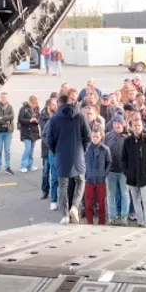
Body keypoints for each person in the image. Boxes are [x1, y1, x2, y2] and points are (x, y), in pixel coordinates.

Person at [44, 93, 92, 224]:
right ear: (71, 102)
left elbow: (49, 140)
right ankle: (75, 207)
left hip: (61, 156)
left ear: (59, 103)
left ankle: (65, 215)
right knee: (80, 181)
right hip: (78, 156)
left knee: (63, 186)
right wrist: (82, 150)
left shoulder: (54, 119)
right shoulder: (80, 116)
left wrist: (56, 151)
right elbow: (88, 137)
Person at [121, 117, 146, 227]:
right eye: (135, 126)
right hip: (132, 176)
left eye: (139, 126)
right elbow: (124, 158)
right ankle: (140, 221)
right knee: (136, 200)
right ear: (131, 127)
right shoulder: (127, 141)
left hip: (145, 176)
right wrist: (127, 172)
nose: (137, 127)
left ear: (142, 126)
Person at [103, 115, 130, 225]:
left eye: (119, 123)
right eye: (115, 122)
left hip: (124, 172)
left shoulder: (128, 137)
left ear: (124, 124)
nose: (117, 125)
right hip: (111, 171)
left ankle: (124, 216)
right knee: (111, 194)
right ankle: (111, 216)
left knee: (125, 194)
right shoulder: (107, 136)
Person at [83, 129, 111, 225]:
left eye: (97, 137)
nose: (95, 139)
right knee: (88, 203)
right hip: (89, 179)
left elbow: (109, 162)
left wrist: (104, 174)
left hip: (100, 180)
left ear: (101, 137)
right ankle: (89, 222)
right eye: (93, 137)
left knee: (101, 203)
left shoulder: (105, 149)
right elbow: (82, 161)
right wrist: (85, 174)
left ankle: (102, 222)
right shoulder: (86, 148)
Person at [0, 92, 15, 174]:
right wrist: (6, 121)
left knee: (7, 150)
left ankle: (7, 167)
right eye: (2, 97)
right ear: (0, 98)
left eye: (5, 97)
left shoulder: (10, 107)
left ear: (7, 98)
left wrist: (2, 117)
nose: (3, 99)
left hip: (8, 132)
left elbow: (12, 117)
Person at [40, 97, 58, 202]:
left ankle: (55, 193)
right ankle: (45, 191)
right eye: (53, 105)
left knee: (55, 173)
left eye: (56, 105)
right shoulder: (43, 117)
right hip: (47, 148)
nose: (55, 107)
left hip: (55, 150)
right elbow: (44, 134)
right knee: (46, 171)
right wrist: (50, 144)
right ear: (48, 106)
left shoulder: (57, 116)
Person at [18, 95, 41, 173]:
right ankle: (23, 165)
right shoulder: (24, 109)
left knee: (32, 149)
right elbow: (20, 119)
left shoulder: (37, 109)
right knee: (27, 149)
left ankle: (30, 165)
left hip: (34, 131)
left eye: (35, 104)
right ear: (30, 102)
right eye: (33, 104)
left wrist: (37, 120)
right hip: (26, 131)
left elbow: (39, 117)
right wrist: (29, 120)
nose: (34, 105)